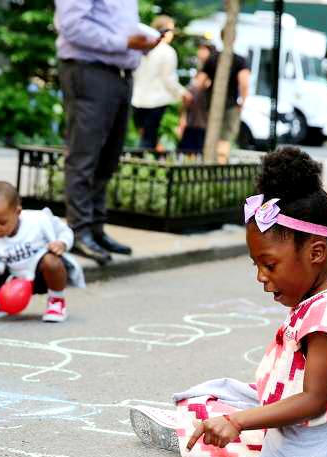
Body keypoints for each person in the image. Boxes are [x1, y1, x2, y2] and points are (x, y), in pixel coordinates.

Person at [128, 148, 327, 457]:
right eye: (256, 265)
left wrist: (239, 422)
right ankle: (198, 422)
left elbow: (314, 401)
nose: (261, 276)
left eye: (269, 265)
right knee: (211, 397)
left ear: (316, 252)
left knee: (218, 436)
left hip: (312, 441)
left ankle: (185, 437)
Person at [54, 0, 159, 265]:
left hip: (120, 73)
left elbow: (117, 24)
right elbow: (72, 25)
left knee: (108, 157)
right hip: (88, 70)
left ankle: (96, 228)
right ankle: (78, 231)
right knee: (84, 155)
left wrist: (140, 43)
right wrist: (124, 42)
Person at [0, 181, 85, 323]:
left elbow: (64, 230)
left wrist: (62, 243)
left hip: (41, 277)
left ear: (17, 212)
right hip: (13, 279)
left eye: (1, 222)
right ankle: (4, 303)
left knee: (51, 261)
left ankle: (56, 301)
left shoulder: (38, 221)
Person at [131, 16, 188, 150]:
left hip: (137, 99)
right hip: (156, 101)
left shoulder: (141, 47)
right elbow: (169, 80)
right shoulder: (167, 52)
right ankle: (146, 166)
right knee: (149, 138)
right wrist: (182, 93)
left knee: (143, 135)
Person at [194, 29, 250, 163]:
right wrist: (242, 101)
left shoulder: (212, 58)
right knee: (224, 140)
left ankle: (209, 166)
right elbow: (244, 83)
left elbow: (199, 83)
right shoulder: (239, 60)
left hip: (211, 105)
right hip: (230, 105)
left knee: (211, 137)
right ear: (234, 38)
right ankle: (220, 167)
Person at [177, 41, 214, 153]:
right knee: (185, 152)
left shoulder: (212, 73)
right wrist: (182, 120)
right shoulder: (196, 72)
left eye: (204, 49)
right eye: (200, 49)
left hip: (204, 124)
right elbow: (185, 102)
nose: (200, 53)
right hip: (191, 122)